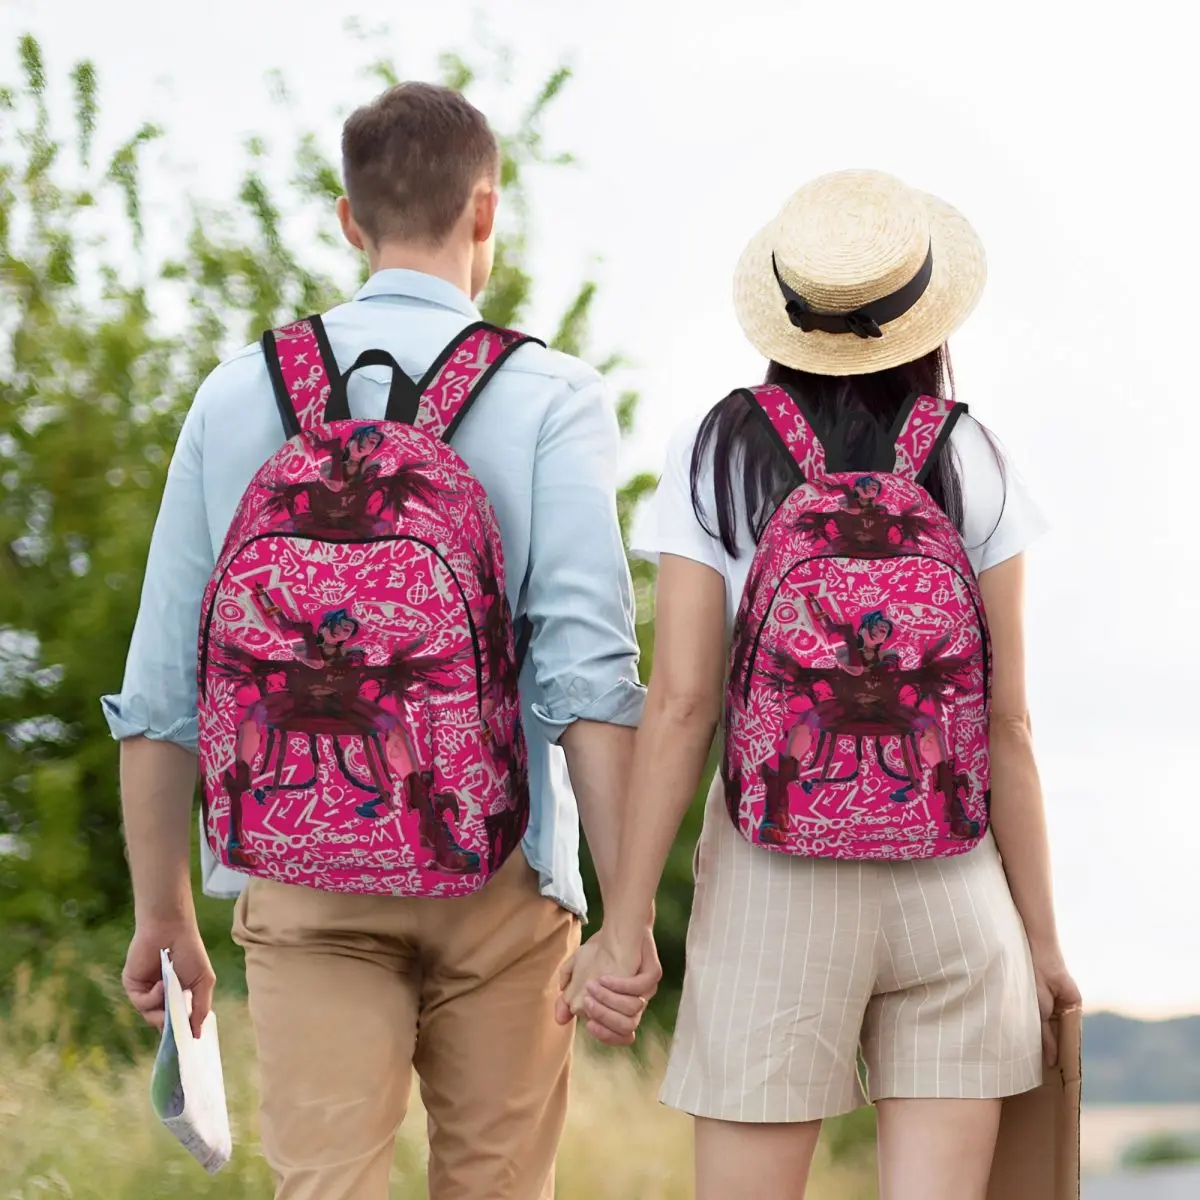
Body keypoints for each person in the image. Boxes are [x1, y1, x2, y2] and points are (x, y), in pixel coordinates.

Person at [105, 81, 660, 1200]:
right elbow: (588, 677)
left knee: (325, 1186)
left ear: (349, 219)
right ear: (486, 213)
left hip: (300, 871)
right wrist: (627, 914)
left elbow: (164, 681)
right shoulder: (550, 394)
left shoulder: (236, 395)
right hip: (502, 872)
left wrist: (163, 910)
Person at [560, 169, 1081, 1200]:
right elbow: (1009, 723)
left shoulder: (716, 451)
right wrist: (1043, 943)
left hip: (772, 882)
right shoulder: (974, 455)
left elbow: (682, 705)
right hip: (954, 883)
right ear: (925, 316)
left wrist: (624, 927)